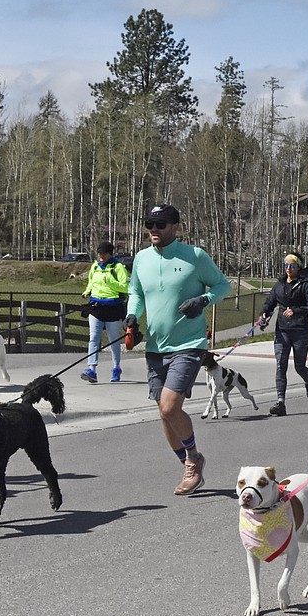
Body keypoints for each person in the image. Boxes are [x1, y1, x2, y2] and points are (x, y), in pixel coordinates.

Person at [125, 204, 231, 496]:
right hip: (156, 346)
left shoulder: (195, 256)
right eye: (150, 224)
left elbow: (223, 285)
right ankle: (187, 461)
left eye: (160, 224)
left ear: (176, 227)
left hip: (189, 345)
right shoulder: (142, 259)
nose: (154, 230)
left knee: (171, 406)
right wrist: (133, 314)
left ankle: (193, 460)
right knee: (164, 413)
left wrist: (203, 300)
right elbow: (136, 292)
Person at [259, 251, 308, 417]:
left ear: (298, 267)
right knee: (281, 365)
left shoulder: (306, 285)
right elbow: (269, 303)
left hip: (300, 331)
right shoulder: (279, 285)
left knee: (299, 366)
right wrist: (264, 315)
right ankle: (280, 402)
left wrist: (296, 311)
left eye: (291, 265)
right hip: (282, 331)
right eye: (285, 265)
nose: (288, 268)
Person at [80, 241, 130, 384]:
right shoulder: (95, 266)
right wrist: (87, 291)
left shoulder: (118, 267)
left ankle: (116, 367)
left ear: (110, 253)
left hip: (113, 308)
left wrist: (109, 282)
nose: (101, 256)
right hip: (96, 307)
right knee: (93, 337)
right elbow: (91, 282)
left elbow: (125, 288)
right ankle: (92, 369)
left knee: (113, 339)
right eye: (99, 253)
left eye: (104, 253)